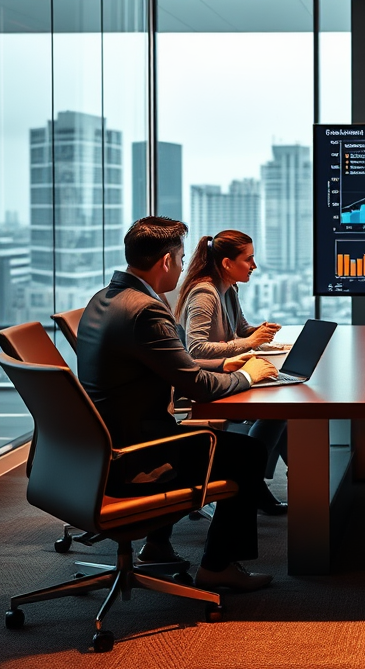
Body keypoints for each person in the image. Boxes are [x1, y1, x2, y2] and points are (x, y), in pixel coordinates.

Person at [76, 216, 280, 592]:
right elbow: (196, 385)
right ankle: (217, 566)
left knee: (223, 445)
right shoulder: (146, 312)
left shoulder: (104, 298)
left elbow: (174, 364)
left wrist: (225, 364)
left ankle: (156, 545)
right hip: (136, 455)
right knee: (248, 453)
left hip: (95, 450)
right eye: (182, 258)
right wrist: (249, 375)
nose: (185, 266)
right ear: (166, 262)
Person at [175, 230, 288, 516]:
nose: (254, 265)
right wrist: (249, 343)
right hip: (204, 381)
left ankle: (259, 482)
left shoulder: (229, 289)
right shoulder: (204, 293)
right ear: (227, 263)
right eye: (249, 259)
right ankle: (252, 480)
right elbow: (196, 350)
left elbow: (240, 331)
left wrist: (261, 334)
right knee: (278, 409)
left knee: (283, 404)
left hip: (226, 370)